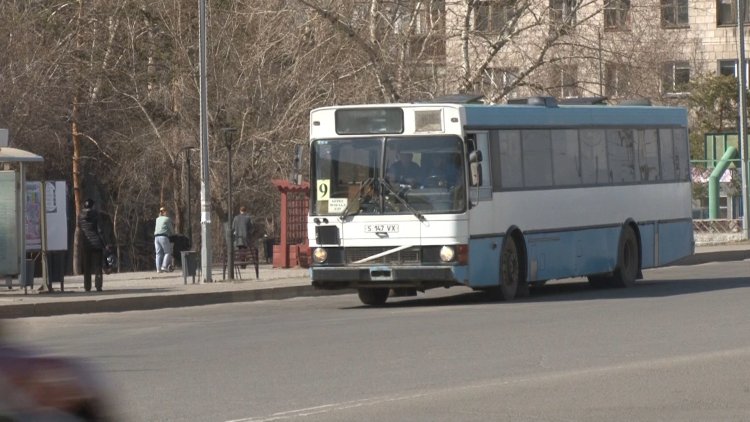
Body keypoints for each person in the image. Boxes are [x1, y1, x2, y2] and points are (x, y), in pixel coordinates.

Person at [79, 198, 105, 292]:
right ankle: (98, 286)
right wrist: (105, 243)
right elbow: (100, 230)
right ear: (92, 206)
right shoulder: (96, 215)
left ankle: (87, 286)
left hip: (86, 244)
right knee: (98, 266)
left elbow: (81, 229)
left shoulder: (80, 217)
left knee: (87, 266)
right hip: (97, 244)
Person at [154, 206, 175, 273]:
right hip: (163, 237)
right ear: (165, 212)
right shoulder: (167, 219)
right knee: (167, 252)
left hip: (156, 237)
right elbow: (171, 230)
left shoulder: (157, 219)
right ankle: (164, 266)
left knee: (158, 253)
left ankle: (158, 269)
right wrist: (173, 234)